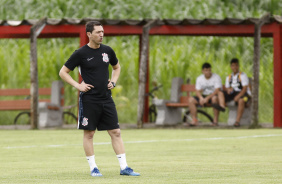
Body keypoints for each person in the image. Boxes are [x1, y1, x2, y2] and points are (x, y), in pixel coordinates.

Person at [59, 21, 140, 177]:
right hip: (89, 100)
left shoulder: (108, 51)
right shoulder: (80, 53)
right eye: (98, 32)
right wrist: (78, 85)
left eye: (102, 31)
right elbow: (63, 72)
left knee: (116, 132)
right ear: (89, 34)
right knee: (89, 134)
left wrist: (114, 82)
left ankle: (124, 168)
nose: (101, 34)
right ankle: (93, 168)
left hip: (106, 99)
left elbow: (117, 67)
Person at [224, 58, 251, 127]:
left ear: (238, 66)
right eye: (233, 66)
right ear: (231, 67)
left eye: (236, 65)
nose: (234, 67)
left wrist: (238, 96)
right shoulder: (229, 77)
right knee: (221, 93)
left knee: (241, 100)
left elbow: (245, 89)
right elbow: (227, 87)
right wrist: (228, 90)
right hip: (234, 93)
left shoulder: (242, 75)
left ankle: (237, 121)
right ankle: (222, 106)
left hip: (244, 94)